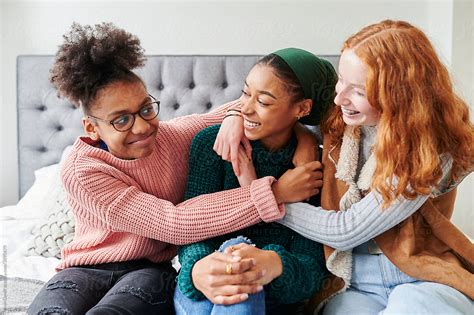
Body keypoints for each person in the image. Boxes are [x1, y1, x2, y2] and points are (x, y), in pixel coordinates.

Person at [28, 23, 323, 314]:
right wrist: (276, 192)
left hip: (149, 270)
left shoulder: (174, 135)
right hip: (85, 268)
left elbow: (266, 106)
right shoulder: (83, 171)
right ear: (91, 127)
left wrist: (302, 135)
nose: (143, 127)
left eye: (146, 109)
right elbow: (173, 223)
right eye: (121, 120)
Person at [216, 20, 474, 314]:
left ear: (399, 95)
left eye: (358, 91)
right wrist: (233, 115)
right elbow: (288, 118)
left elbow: (347, 229)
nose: (339, 98)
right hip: (354, 281)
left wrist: (267, 197)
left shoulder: (432, 150)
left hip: (421, 276)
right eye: (341, 81)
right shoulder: (345, 122)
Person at [173, 48, 337, 315]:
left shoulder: (315, 169)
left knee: (244, 283)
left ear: (302, 108)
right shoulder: (211, 144)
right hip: (203, 285)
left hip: (272, 295)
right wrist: (198, 267)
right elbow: (191, 229)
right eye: (245, 92)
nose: (245, 108)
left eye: (263, 101)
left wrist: (272, 262)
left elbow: (311, 268)